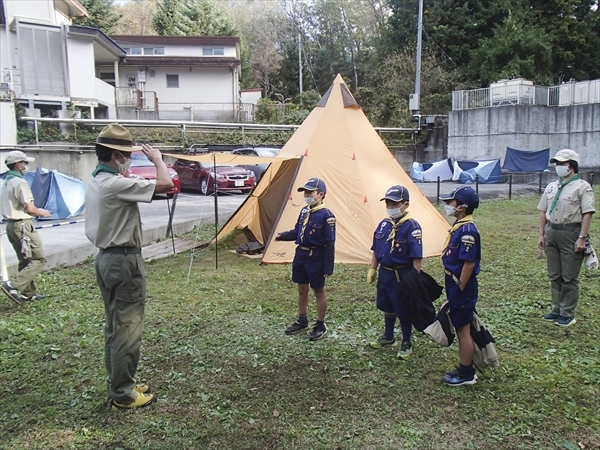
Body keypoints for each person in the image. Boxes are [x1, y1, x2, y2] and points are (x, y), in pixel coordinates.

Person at [85, 124, 173, 409]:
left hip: (107, 259)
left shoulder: (97, 180)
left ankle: (120, 383)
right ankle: (123, 393)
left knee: (115, 326)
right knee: (128, 327)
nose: (127, 159)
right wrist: (158, 160)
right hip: (123, 260)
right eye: (125, 154)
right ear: (114, 155)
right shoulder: (116, 184)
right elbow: (165, 184)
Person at [537, 149, 595, 327]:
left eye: (562, 164)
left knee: (569, 275)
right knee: (555, 274)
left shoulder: (582, 186)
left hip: (571, 232)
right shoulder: (552, 186)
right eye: (557, 164)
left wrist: (582, 238)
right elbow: (543, 210)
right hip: (552, 231)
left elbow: (587, 213)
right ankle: (556, 309)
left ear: (571, 166)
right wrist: (541, 233)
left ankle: (567, 313)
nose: (558, 167)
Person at [275, 177, 336, 341]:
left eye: (310, 192)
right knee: (302, 289)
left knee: (318, 291)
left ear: (321, 194)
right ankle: (302, 320)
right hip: (300, 256)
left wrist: (328, 267)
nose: (307, 195)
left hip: (316, 257)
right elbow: (297, 232)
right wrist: (282, 236)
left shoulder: (326, 216)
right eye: (306, 192)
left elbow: (330, 243)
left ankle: (320, 324)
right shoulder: (304, 211)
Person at [367, 185, 422, 359]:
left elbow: (416, 256)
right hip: (385, 273)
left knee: (403, 309)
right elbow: (376, 247)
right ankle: (388, 336)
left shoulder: (412, 226)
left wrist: (415, 279)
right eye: (388, 203)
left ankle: (407, 341)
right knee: (387, 305)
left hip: (402, 274)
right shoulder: (384, 224)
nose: (390, 207)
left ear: (405, 204)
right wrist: (373, 268)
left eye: (394, 203)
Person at [440, 186, 481, 386]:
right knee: (462, 327)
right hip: (455, 283)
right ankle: (465, 367)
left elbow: (469, 263)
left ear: (462, 207)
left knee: (462, 330)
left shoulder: (467, 232)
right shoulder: (459, 226)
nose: (448, 205)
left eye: (451, 202)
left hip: (461, 286)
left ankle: (466, 373)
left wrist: (459, 288)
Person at [1, 150, 51, 305]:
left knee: (25, 259)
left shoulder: (6, 181)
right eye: (25, 163)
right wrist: (42, 212)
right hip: (22, 224)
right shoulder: (20, 182)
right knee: (38, 258)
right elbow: (29, 208)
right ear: (18, 164)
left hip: (11, 225)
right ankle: (13, 285)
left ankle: (28, 293)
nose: (26, 166)